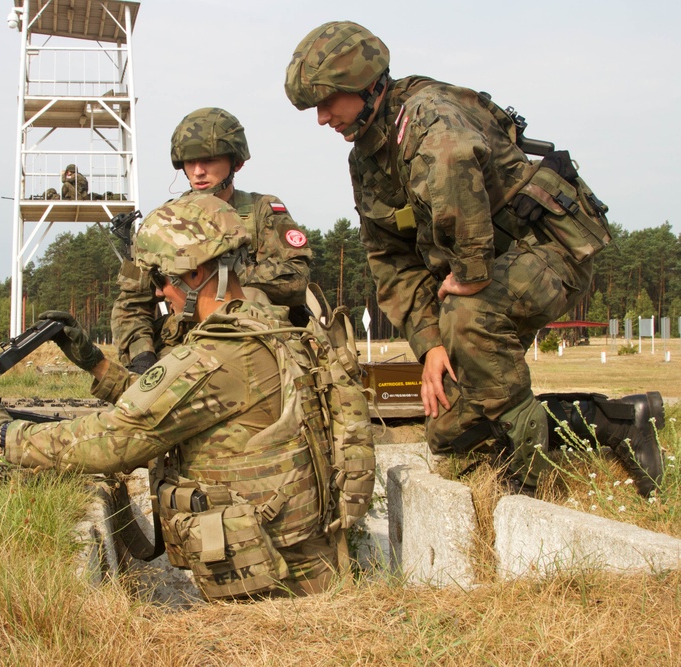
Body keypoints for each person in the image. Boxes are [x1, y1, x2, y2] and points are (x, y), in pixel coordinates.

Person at [284, 21, 663, 496]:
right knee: (449, 426)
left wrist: (468, 273)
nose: (322, 118)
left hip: (552, 250)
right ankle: (619, 422)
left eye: (326, 102)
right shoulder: (367, 159)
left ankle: (535, 490)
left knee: (470, 317)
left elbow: (453, 170)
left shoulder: (428, 115)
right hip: (493, 272)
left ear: (363, 83)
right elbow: (390, 260)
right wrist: (430, 344)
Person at [0, 192, 375, 600]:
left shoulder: (217, 355)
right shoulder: (275, 328)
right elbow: (173, 402)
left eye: (160, 278)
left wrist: (6, 434)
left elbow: (116, 439)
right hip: (311, 567)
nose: (158, 292)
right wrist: (94, 362)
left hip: (274, 591)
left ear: (195, 274)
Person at [111, 107, 313, 374]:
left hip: (254, 344)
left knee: (251, 295)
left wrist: (219, 277)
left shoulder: (261, 210)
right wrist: (142, 359)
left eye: (209, 160)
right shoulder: (166, 223)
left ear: (236, 162)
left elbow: (296, 279)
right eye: (189, 162)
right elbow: (131, 303)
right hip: (184, 347)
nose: (198, 171)